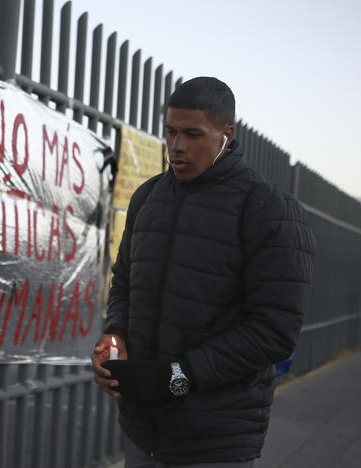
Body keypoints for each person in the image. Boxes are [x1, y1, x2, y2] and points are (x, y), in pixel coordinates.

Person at [92, 77, 315, 467]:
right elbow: (125, 281)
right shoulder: (147, 197)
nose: (176, 146)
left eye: (192, 134)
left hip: (217, 439)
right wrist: (116, 334)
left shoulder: (267, 209)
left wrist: (177, 375)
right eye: (171, 132)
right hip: (141, 429)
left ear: (226, 135)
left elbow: (275, 330)